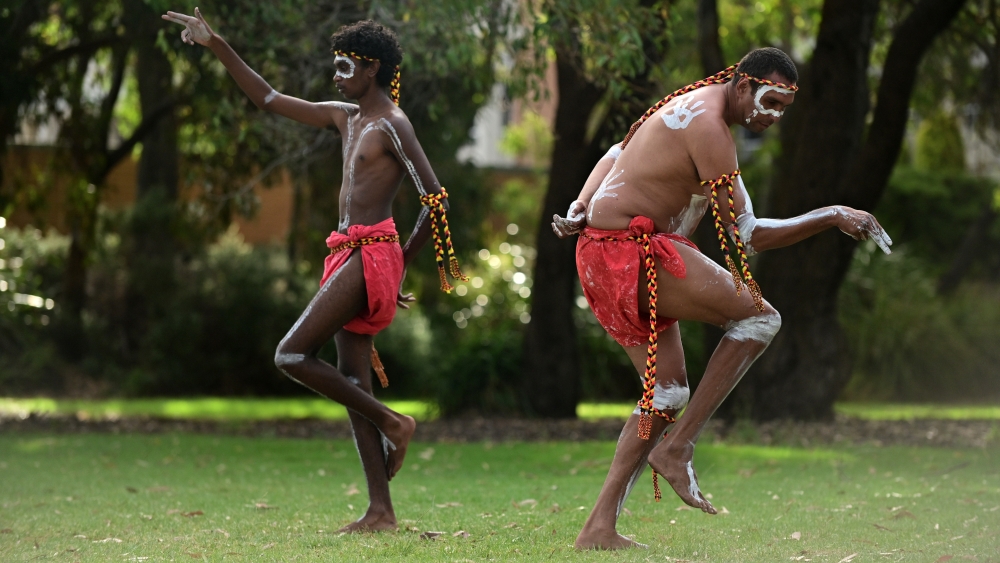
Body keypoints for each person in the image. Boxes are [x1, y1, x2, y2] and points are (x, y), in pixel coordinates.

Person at [551, 47, 892, 549]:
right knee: (760, 320)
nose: (773, 117)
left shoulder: (690, 105)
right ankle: (680, 448)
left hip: (602, 254)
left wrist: (581, 203)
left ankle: (598, 529)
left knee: (666, 394)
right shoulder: (711, 129)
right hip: (631, 253)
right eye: (770, 101)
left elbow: (614, 154)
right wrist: (832, 215)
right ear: (742, 85)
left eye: (783, 109)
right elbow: (751, 235)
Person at [162, 9, 467, 533]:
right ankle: (381, 512)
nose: (337, 75)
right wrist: (217, 45)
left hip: (371, 253)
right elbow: (268, 99)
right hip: (344, 250)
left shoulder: (393, 125)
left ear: (373, 69)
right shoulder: (345, 118)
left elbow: (434, 201)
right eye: (336, 65)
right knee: (353, 379)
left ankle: (395, 422)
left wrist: (397, 270)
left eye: (346, 67)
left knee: (291, 353)